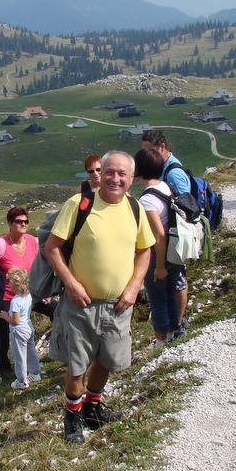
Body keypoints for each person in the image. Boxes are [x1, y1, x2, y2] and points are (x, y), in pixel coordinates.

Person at [45, 151, 155, 444]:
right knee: (77, 364)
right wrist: (70, 283)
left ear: (131, 179)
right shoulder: (79, 205)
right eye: (109, 172)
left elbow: (145, 250)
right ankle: (72, 417)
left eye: (122, 174)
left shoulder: (134, 208)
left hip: (119, 305)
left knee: (106, 359)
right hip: (81, 303)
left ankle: (92, 408)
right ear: (100, 173)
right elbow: (52, 247)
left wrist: (133, 288)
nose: (114, 178)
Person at [0, 206, 55, 379]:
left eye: (26, 221)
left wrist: (47, 291)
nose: (23, 224)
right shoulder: (0, 245)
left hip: (31, 294)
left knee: (57, 311)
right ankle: (3, 366)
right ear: (10, 224)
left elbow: (43, 266)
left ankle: (59, 349)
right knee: (4, 330)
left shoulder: (33, 242)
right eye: (19, 221)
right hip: (6, 298)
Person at [141, 129, 190, 338]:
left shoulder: (173, 173)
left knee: (172, 286)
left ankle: (174, 328)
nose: (147, 155)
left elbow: (187, 205)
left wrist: (160, 265)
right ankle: (175, 327)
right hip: (172, 243)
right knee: (171, 287)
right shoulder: (164, 176)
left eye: (149, 151)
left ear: (162, 147)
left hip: (171, 244)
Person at [134, 148, 180, 344]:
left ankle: (161, 341)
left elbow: (158, 235)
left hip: (159, 253)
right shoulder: (165, 186)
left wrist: (159, 266)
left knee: (157, 298)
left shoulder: (146, 200)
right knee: (170, 293)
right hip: (175, 248)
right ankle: (172, 334)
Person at [0, 267, 40, 390]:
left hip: (19, 331)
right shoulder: (28, 296)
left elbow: (16, 321)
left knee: (19, 356)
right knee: (31, 351)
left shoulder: (15, 301)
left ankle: (21, 381)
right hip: (28, 327)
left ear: (14, 286)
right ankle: (35, 373)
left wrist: (6, 316)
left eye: (10, 283)